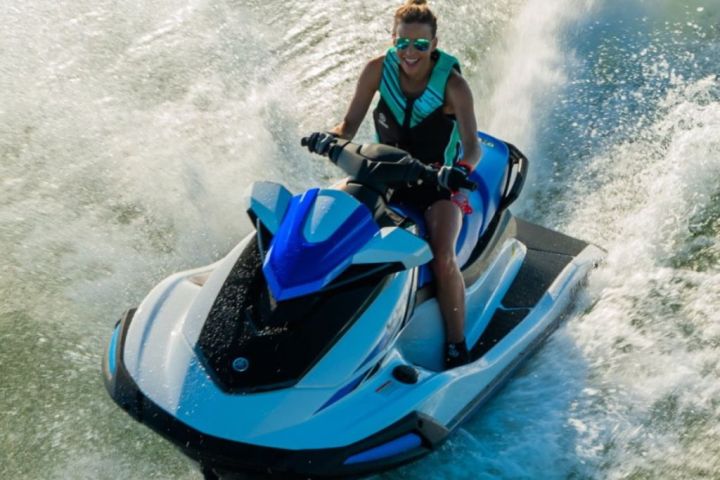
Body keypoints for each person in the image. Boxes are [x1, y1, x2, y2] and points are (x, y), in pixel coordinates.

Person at [304, 0, 481, 369]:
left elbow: (473, 147)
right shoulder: (375, 70)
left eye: (420, 44)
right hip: (382, 175)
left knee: (442, 254)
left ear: (434, 44)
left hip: (435, 183)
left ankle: (457, 344)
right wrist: (328, 137)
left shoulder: (453, 86)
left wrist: (458, 170)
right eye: (403, 44)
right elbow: (347, 127)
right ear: (393, 41)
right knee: (327, 212)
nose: (411, 53)